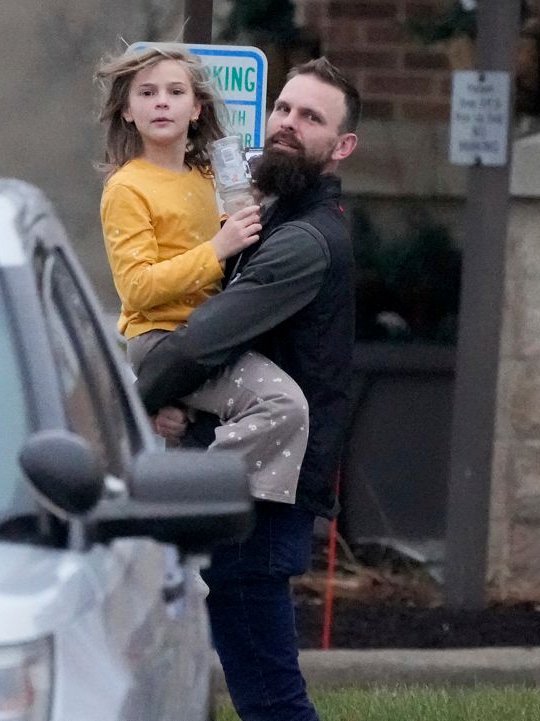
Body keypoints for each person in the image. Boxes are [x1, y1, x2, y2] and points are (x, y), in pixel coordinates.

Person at [132, 57, 361, 721]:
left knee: (272, 701)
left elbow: (203, 341)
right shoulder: (267, 216)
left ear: (341, 146)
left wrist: (131, 399)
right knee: (263, 694)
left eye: (311, 117)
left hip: (266, 492)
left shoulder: (306, 242)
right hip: (250, 478)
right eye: (284, 109)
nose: (288, 124)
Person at [95, 45, 309, 503]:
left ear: (196, 109)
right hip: (162, 337)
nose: (161, 102)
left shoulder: (212, 178)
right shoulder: (126, 187)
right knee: (282, 404)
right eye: (147, 93)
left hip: (211, 334)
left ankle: (192, 514)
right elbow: (136, 287)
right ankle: (192, 496)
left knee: (190, 571)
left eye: (175, 92)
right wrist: (217, 248)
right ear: (127, 111)